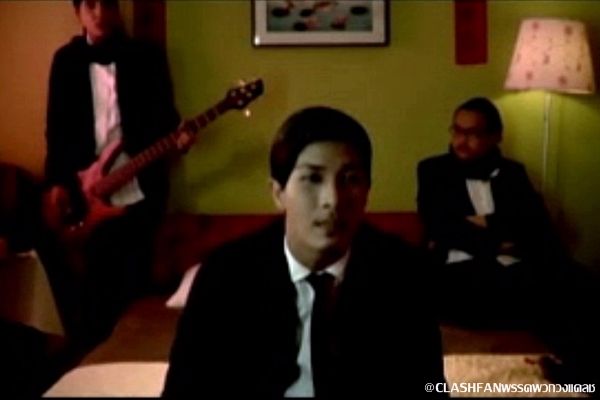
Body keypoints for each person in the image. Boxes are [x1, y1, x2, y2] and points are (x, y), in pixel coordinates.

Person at [163, 106, 447, 398]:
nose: (332, 200)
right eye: (313, 178)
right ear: (278, 193)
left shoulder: (404, 272)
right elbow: (183, 390)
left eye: (350, 179)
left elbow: (430, 388)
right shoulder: (226, 274)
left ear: (367, 192)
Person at [417, 97, 599, 385]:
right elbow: (442, 227)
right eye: (457, 130)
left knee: (580, 283)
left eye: (472, 133)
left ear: (495, 137)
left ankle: (578, 372)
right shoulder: (432, 171)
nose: (461, 140)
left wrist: (485, 223)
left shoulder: (513, 173)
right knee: (538, 293)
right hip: (459, 274)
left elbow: (537, 226)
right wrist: (502, 236)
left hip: (517, 269)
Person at [42, 0, 189, 348]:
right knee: (91, 300)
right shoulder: (66, 62)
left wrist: (180, 141)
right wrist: (57, 184)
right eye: (90, 5)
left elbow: (167, 121)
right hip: (86, 193)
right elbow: (56, 132)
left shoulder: (147, 57)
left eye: (106, 4)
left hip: (139, 191)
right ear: (77, 11)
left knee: (134, 290)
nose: (99, 13)